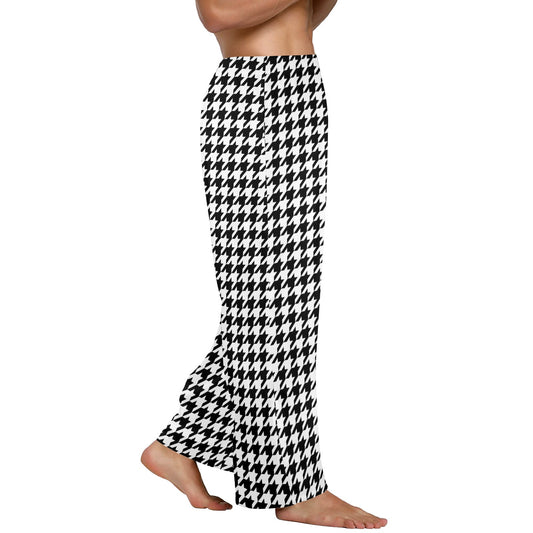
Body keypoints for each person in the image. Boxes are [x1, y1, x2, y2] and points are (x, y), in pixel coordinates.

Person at [141, 1, 388, 528]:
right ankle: (294, 489)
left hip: (300, 90)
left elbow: (306, 18)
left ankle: (177, 445)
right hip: (254, 96)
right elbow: (216, 13)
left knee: (281, 306)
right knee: (269, 309)